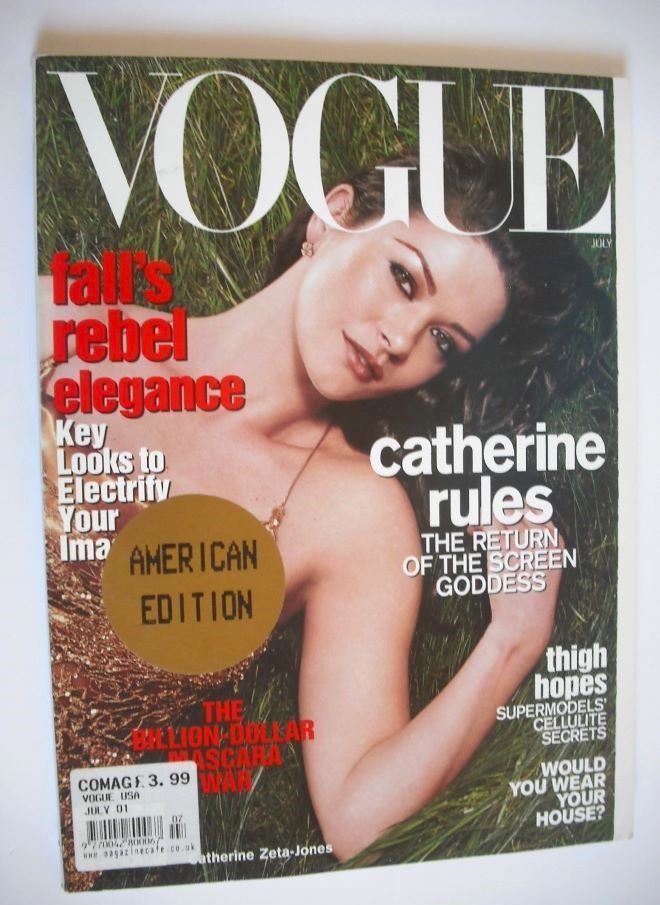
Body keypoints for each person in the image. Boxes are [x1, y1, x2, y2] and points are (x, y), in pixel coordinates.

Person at [40, 146, 609, 863]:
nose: (399, 339)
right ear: (332, 217)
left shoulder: (357, 517)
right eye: (403, 277)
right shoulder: (58, 325)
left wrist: (513, 641)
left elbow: (355, 820)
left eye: (442, 340)